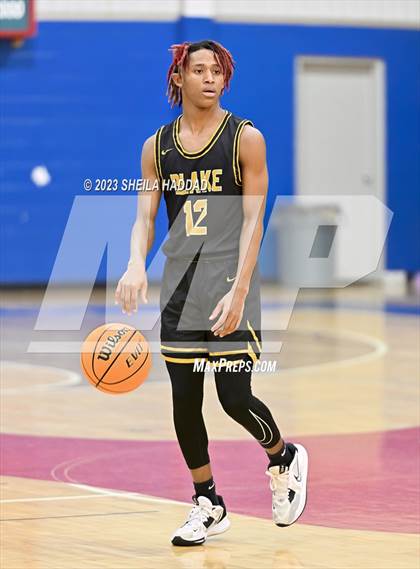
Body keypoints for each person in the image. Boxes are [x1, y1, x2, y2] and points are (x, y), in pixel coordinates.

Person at [115, 40, 308, 547]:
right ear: (178, 78)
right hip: (181, 286)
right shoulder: (157, 147)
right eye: (198, 70)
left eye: (216, 71)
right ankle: (208, 502)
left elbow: (253, 221)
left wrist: (240, 290)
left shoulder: (245, 138)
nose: (209, 78)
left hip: (229, 280)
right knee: (184, 399)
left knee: (234, 396)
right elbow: (145, 217)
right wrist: (135, 263)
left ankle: (283, 457)